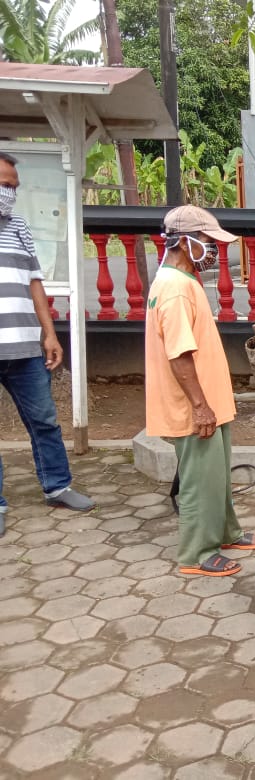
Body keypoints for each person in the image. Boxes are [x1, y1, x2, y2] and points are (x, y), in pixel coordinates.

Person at [145, 205, 255, 577]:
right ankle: (197, 554)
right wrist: (199, 406)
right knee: (199, 482)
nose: (213, 250)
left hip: (210, 402)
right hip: (194, 406)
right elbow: (179, 355)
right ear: (183, 242)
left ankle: (226, 532)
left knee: (216, 475)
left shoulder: (182, 281)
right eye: (207, 242)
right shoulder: (176, 290)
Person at [0, 151, 94, 536]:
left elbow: (35, 283)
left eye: (14, 188)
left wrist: (49, 333)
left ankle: (57, 485)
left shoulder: (19, 226)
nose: (10, 194)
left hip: (24, 347)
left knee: (44, 419)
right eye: (5, 185)